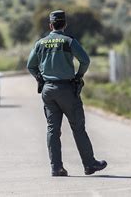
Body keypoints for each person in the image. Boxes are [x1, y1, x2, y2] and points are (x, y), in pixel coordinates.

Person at [27, 10, 107, 177]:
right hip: (67, 90)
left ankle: (56, 168)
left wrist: (40, 79)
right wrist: (78, 76)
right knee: (78, 128)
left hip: (48, 91)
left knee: (52, 130)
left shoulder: (40, 43)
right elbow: (85, 60)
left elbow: (30, 65)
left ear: (50, 25)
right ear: (64, 24)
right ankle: (89, 164)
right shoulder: (68, 41)